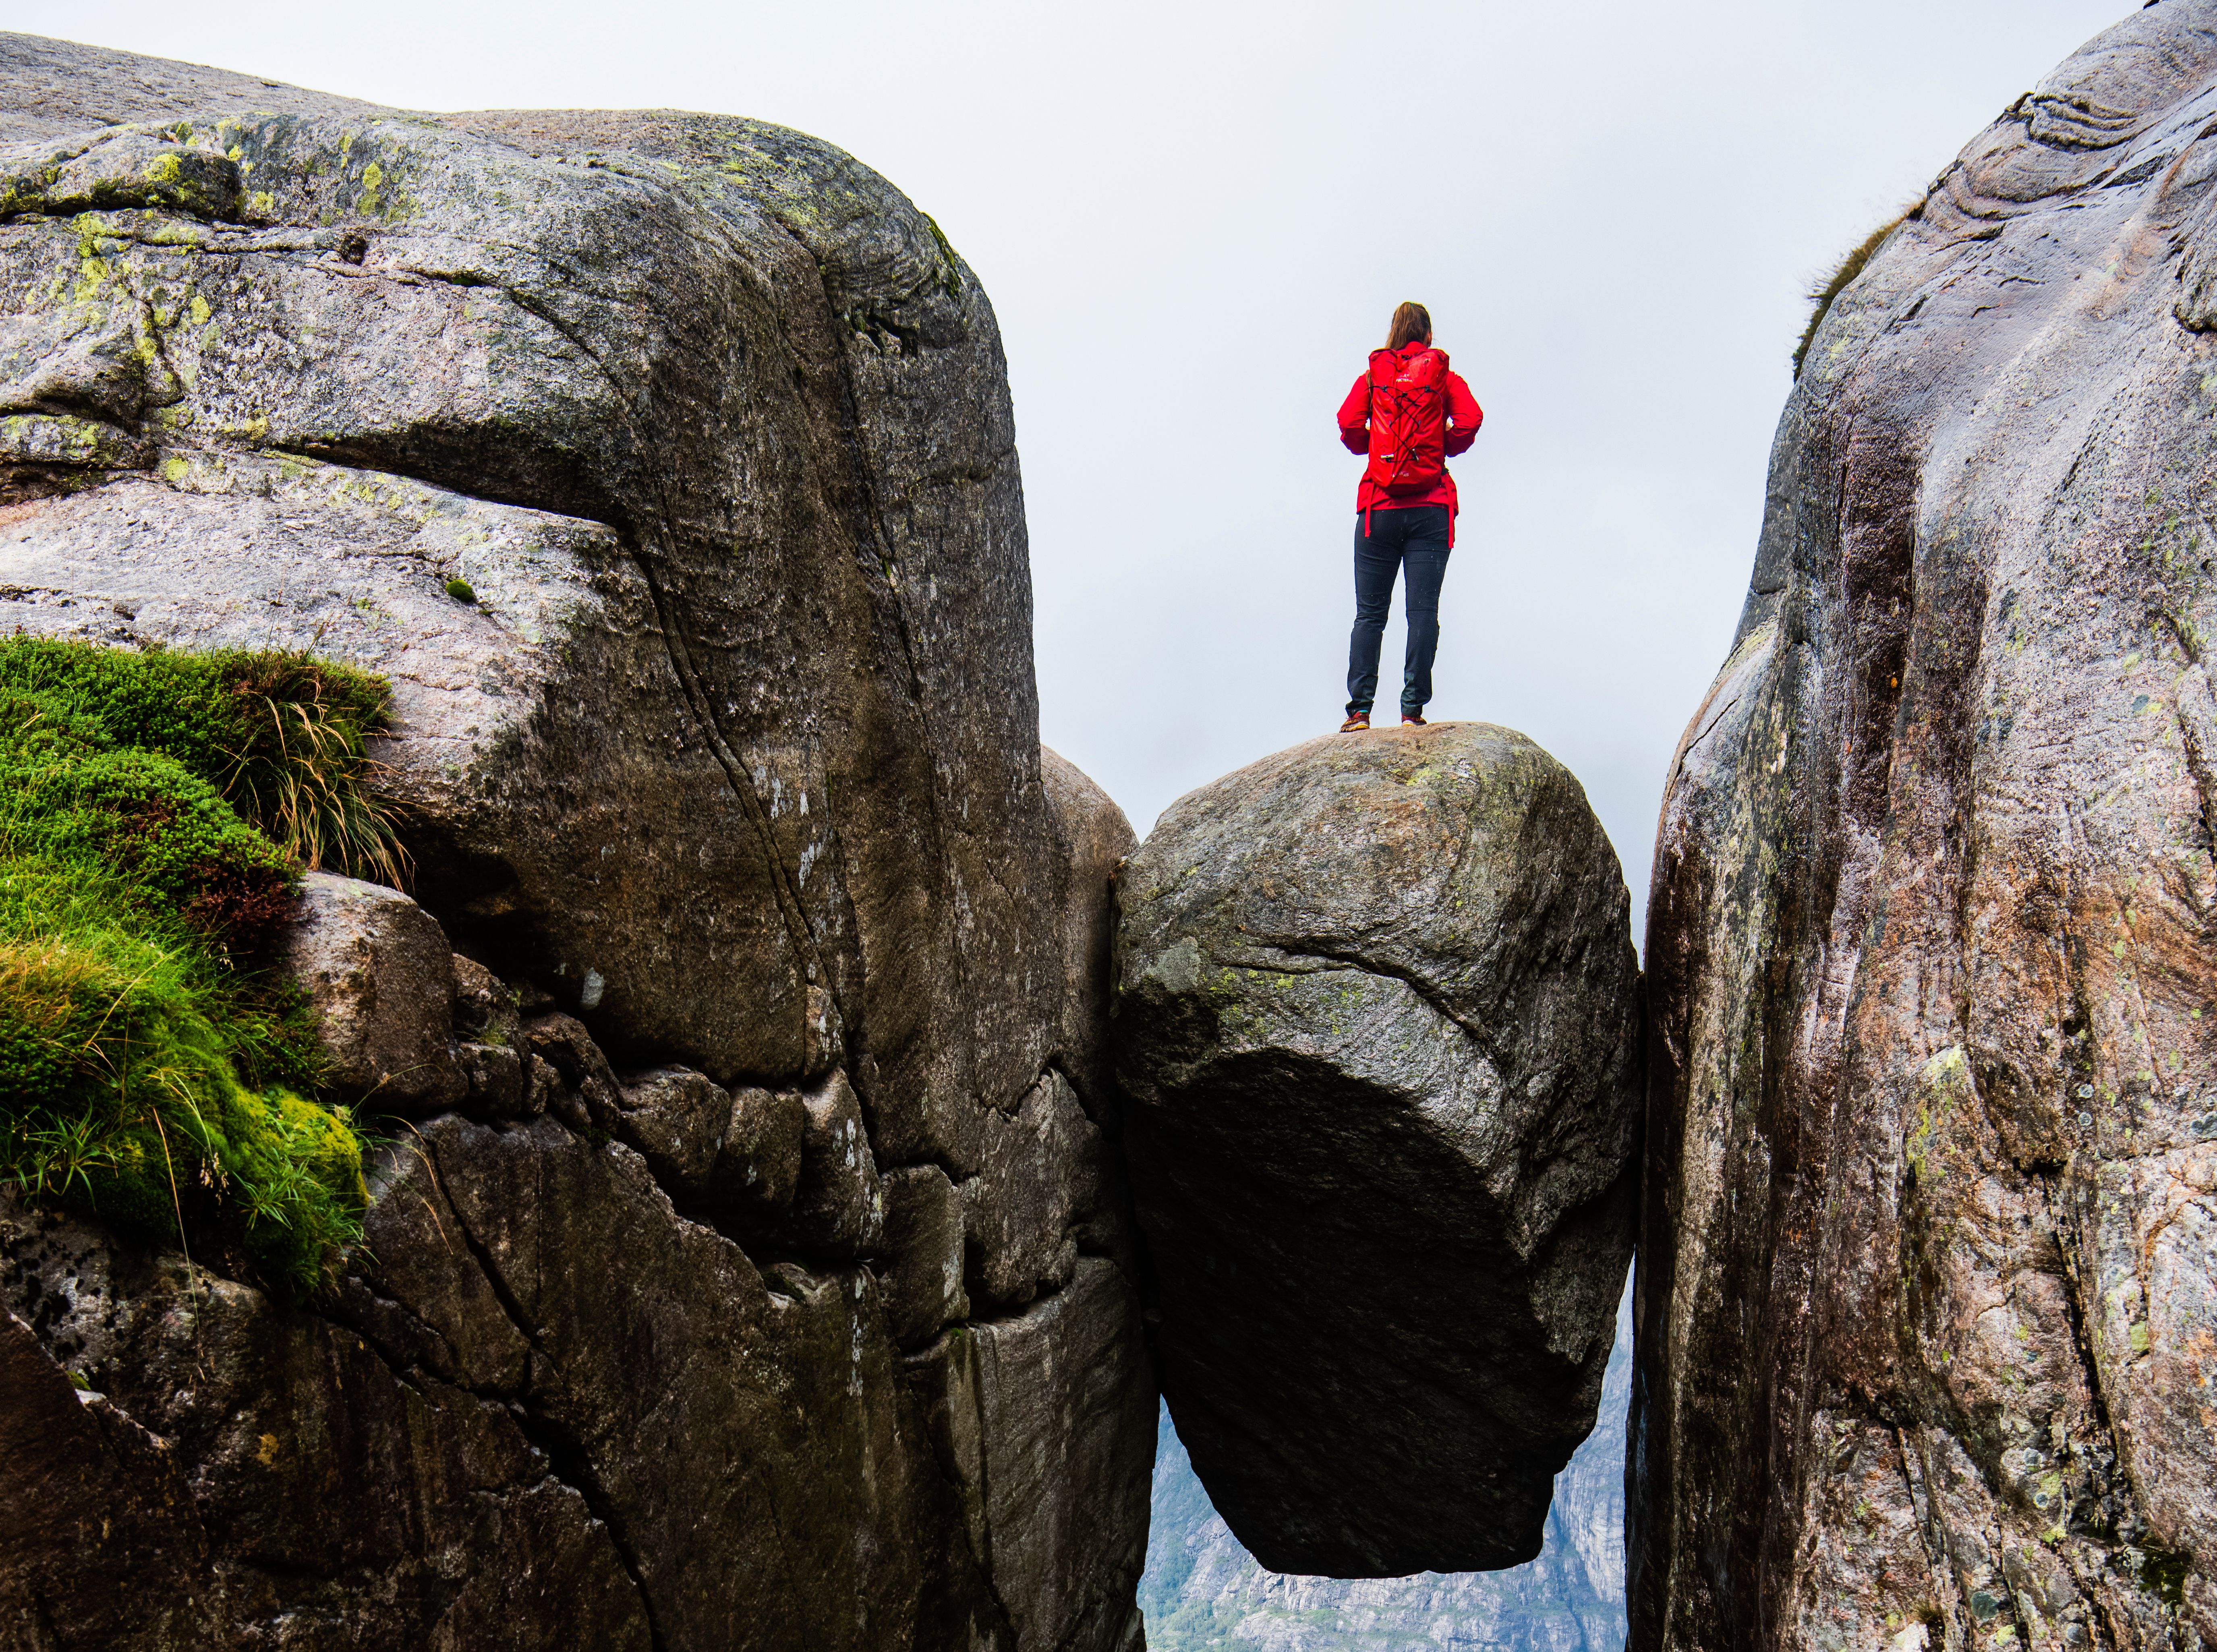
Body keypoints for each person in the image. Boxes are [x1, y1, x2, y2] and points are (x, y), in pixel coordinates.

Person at [1334, 301, 1482, 732]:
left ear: (1393, 334)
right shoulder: (1443, 376)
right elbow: (1470, 420)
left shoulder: (1373, 376)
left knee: (1369, 615)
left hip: (1377, 509)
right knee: (1421, 612)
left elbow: (1347, 424)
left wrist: (1375, 453)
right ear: (1429, 336)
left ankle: (1359, 711)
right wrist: (1441, 446)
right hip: (1430, 509)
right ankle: (1411, 711)